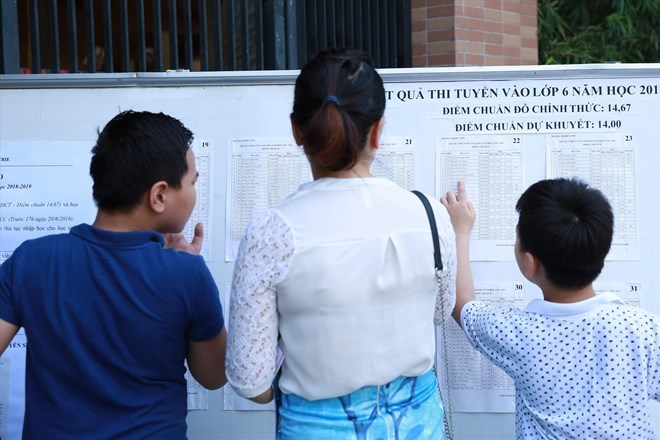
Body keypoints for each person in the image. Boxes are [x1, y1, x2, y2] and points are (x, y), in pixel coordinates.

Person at [225, 48, 457, 439]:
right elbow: (440, 310)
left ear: (297, 131)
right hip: (421, 426)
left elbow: (251, 382)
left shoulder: (273, 232)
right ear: (379, 131)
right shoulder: (431, 215)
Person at [0, 110, 227, 439]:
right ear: (160, 195)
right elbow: (214, 374)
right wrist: (185, 268)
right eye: (193, 182)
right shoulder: (187, 274)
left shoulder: (31, 260)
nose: (194, 192)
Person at [441, 178, 660, 439]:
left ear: (528, 263)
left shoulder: (517, 333)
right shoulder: (644, 327)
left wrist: (460, 231)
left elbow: (462, 302)